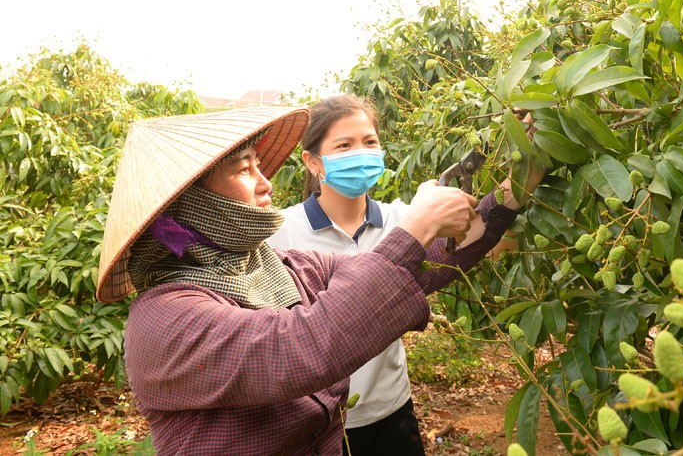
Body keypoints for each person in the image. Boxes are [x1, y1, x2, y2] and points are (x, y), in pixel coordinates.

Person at [95, 105, 537, 455]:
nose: (266, 184)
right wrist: (416, 227)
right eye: (244, 170)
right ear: (192, 203)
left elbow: (410, 273)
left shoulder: (279, 267)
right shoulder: (164, 320)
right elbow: (298, 348)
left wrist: (513, 189)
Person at [266, 94, 542, 456]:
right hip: (313, 424)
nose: (361, 153)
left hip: (389, 413)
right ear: (312, 161)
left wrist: (522, 171)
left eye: (369, 142)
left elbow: (461, 244)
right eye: (344, 145)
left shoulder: (405, 221)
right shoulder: (279, 232)